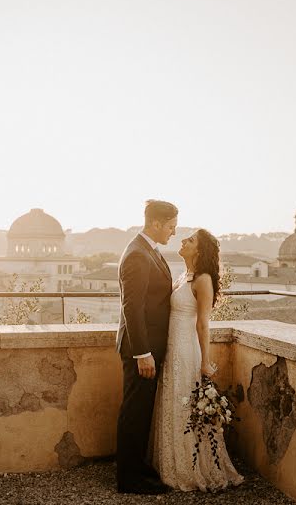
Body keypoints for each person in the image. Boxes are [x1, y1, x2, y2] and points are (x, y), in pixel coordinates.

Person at [149, 228, 244, 491]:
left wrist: (205, 361)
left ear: (199, 250)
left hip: (186, 349)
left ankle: (192, 469)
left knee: (184, 405)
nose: (183, 240)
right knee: (172, 402)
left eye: (190, 240)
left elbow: (203, 323)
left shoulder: (203, 280)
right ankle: (171, 464)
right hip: (171, 347)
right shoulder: (183, 276)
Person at [115, 199, 178, 495]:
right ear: (156, 224)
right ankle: (128, 480)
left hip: (149, 347)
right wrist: (142, 353)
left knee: (142, 411)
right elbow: (133, 307)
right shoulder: (138, 255)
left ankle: (136, 467)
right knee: (134, 412)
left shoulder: (148, 250)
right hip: (141, 350)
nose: (173, 233)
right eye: (170, 227)